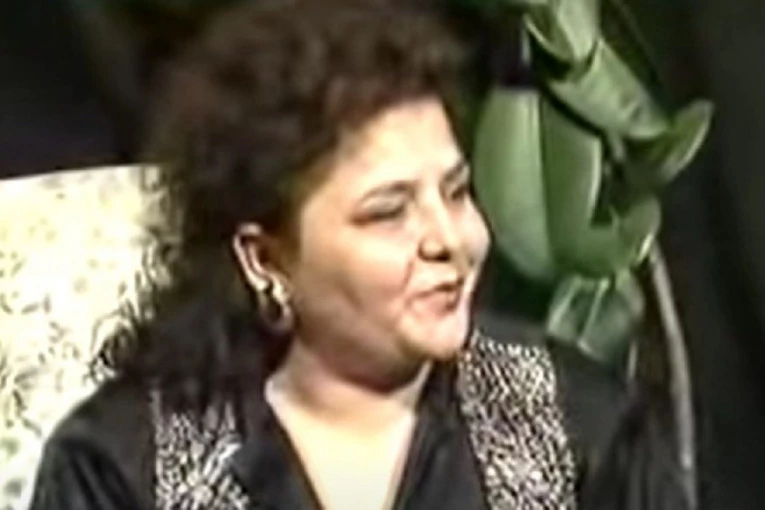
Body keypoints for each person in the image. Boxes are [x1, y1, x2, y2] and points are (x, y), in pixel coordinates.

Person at [28, 0, 689, 508]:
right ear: (264, 259)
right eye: (387, 212)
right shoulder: (120, 468)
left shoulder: (579, 423)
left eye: (457, 193)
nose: (450, 239)